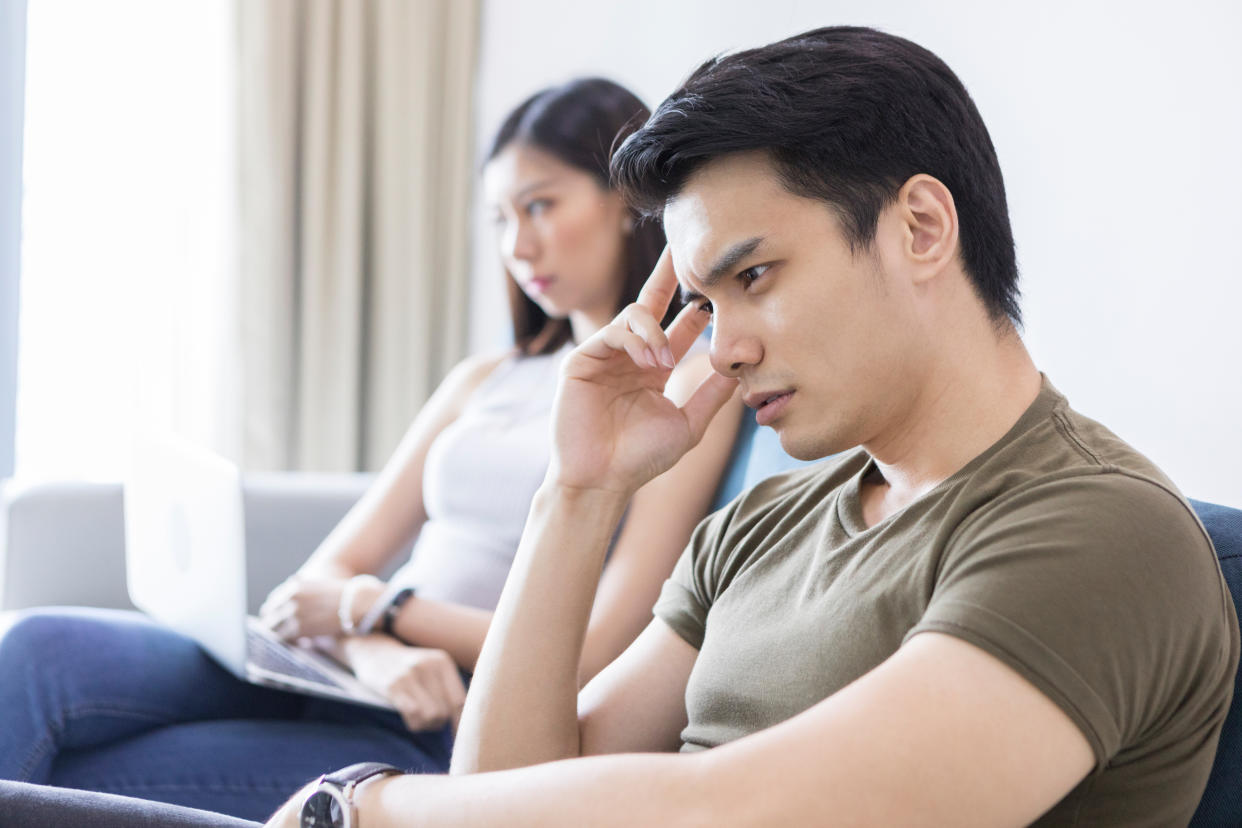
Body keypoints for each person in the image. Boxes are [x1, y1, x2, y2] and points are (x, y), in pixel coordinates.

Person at [2, 25, 1236, 828]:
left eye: (755, 277)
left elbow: (741, 813)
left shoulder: (1099, 532)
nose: (725, 340)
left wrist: (362, 806)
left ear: (921, 227)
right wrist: (576, 496)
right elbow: (516, 795)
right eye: (701, 300)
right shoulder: (771, 521)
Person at [0, 78, 742, 821]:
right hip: (349, 671)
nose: (518, 246)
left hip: (441, 720)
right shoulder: (487, 376)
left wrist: (373, 607)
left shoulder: (689, 385)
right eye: (501, 218)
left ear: (625, 202)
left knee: (75, 764)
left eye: (540, 205)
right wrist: (373, 645)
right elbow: (322, 574)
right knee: (35, 652)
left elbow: (595, 651)